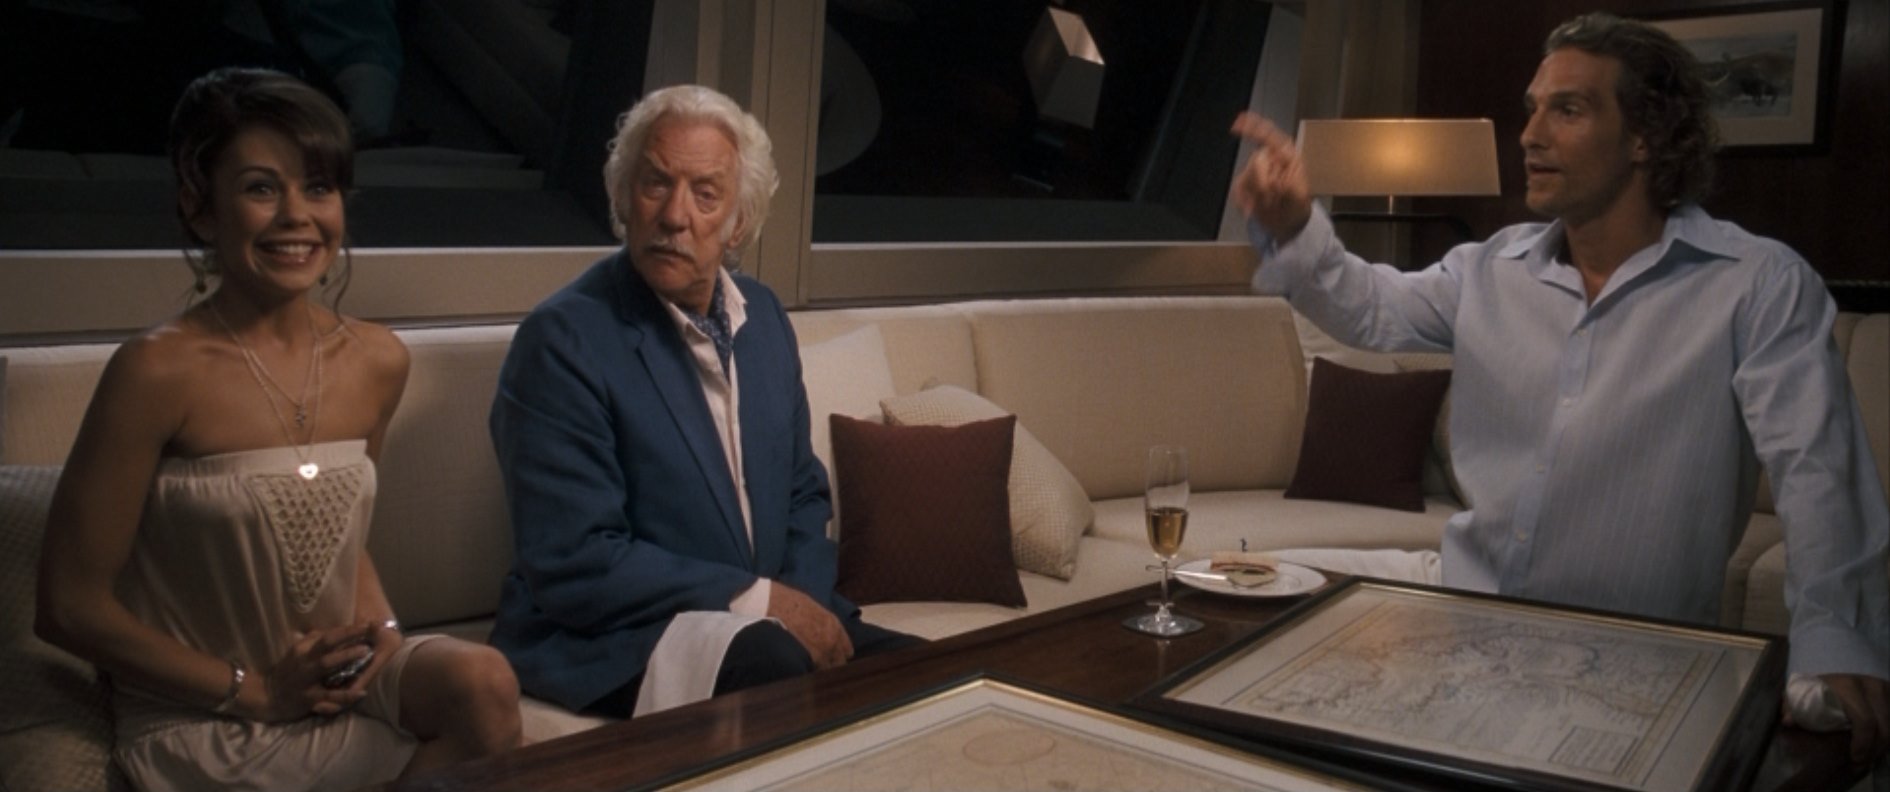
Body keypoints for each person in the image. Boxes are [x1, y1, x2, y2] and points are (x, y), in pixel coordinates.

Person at [1230, 12, 1889, 766]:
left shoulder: (1757, 285)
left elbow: (1817, 473)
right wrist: (1292, 225)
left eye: (1567, 110)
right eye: (1532, 108)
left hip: (1635, 657)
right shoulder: (1489, 268)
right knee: (1229, 595)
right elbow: (1368, 308)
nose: (1530, 135)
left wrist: (1838, 636)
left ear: (1645, 136)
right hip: (1462, 610)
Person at [34, 67, 522, 791]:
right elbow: (68, 607)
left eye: (318, 187)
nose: (297, 215)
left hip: (332, 683)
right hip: (206, 711)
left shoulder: (378, 360)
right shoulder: (154, 371)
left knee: (483, 682)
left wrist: (384, 639)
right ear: (200, 207)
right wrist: (255, 690)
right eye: (262, 188)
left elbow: (341, 544)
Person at [488, 84, 921, 719]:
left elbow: (803, 492)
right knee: (776, 666)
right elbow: (577, 559)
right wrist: (764, 603)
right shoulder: (562, 340)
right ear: (623, 197)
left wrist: (798, 602)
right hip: (619, 637)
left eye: (705, 194)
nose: (674, 215)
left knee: (939, 672)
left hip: (761, 625)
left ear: (738, 222)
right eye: (655, 184)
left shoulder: (764, 318)